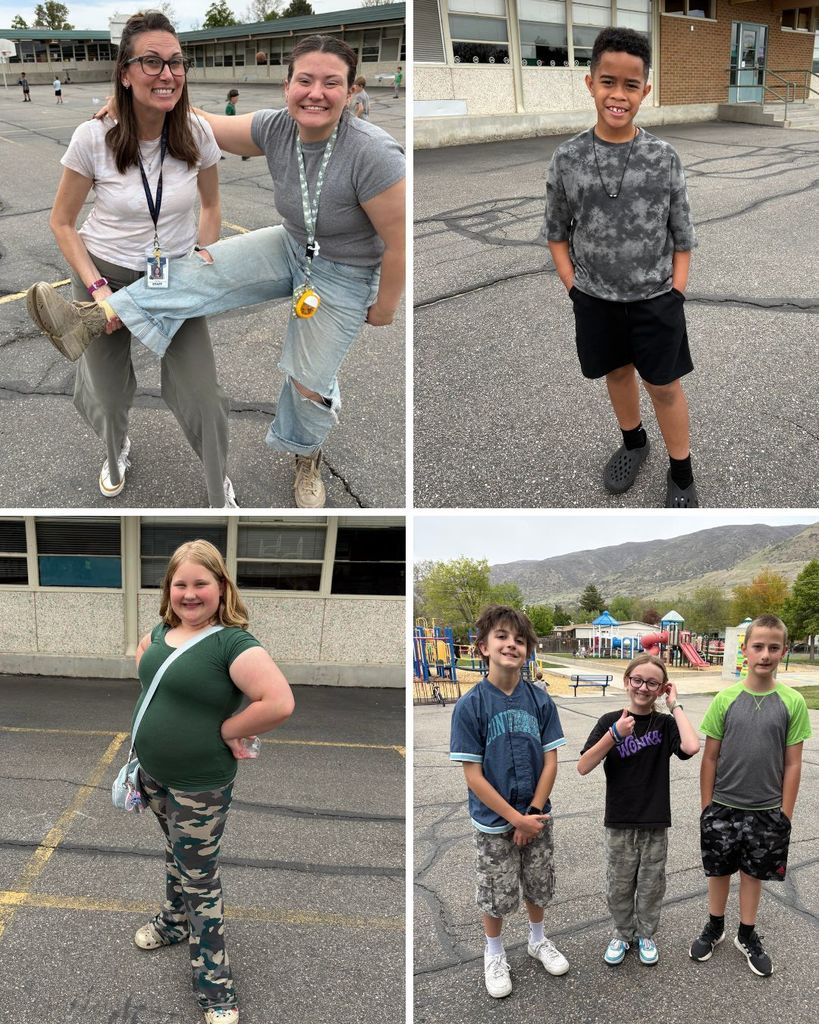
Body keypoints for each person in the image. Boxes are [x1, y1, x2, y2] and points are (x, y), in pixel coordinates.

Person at [26, 34, 406, 509]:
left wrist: (385, 306)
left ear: (350, 92)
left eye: (332, 83)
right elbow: (198, 120)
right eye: (304, 80)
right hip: (291, 245)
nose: (316, 92)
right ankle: (91, 318)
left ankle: (306, 454)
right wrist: (127, 98)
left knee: (309, 379)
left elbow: (397, 241)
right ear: (286, 86)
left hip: (344, 271)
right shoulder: (276, 128)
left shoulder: (372, 152)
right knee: (203, 269)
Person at [26, 12, 235, 507]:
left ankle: (216, 483)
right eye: (151, 62)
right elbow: (63, 223)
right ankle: (115, 447)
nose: (167, 74)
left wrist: (202, 255)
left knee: (203, 395)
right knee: (107, 392)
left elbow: (210, 205)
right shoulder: (92, 138)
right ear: (125, 72)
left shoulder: (196, 133)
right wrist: (98, 289)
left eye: (176, 63)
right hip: (106, 277)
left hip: (173, 278)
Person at [131, 539, 295, 1024]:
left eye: (200, 583)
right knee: (176, 857)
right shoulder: (162, 632)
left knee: (200, 879)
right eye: (180, 584)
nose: (189, 593)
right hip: (154, 773)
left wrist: (227, 729)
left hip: (199, 785)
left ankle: (215, 986)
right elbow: (144, 665)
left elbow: (278, 702)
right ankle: (172, 921)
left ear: (221, 587)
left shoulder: (232, 643)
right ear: (169, 589)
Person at [543, 27, 698, 508]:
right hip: (595, 299)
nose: (618, 94)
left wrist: (676, 291)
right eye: (608, 82)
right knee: (616, 374)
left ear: (645, 91)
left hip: (656, 299)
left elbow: (682, 233)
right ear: (590, 83)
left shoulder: (663, 157)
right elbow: (556, 231)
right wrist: (574, 287)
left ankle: (682, 471)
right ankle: (634, 442)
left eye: (631, 85)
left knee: (664, 386)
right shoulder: (567, 158)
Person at [449, 605, 569, 999]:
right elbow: (473, 776)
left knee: (538, 884)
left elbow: (551, 760)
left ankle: (537, 940)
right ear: (483, 646)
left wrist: (532, 814)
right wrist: (514, 819)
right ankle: (494, 951)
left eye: (520, 640)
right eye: (502, 637)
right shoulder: (471, 705)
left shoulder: (539, 700)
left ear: (528, 650)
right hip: (494, 821)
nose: (511, 645)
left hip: (537, 816)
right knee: (495, 892)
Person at [689, 614, 811, 977]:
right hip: (723, 806)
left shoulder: (792, 702)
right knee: (719, 871)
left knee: (753, 874)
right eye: (758, 646)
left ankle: (747, 933)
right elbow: (710, 757)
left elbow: (792, 764)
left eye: (774, 647)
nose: (765, 654)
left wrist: (784, 813)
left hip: (767, 810)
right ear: (745, 650)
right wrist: (706, 806)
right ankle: (715, 927)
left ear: (784, 651)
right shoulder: (725, 699)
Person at [577, 654, 699, 966]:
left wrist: (675, 704)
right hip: (619, 820)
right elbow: (583, 766)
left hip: (654, 820)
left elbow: (690, 746)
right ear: (627, 680)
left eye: (652, 683)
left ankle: (645, 933)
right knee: (619, 883)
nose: (643, 687)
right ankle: (621, 933)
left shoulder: (665, 723)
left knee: (650, 883)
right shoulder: (609, 721)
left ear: (661, 689)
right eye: (638, 680)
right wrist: (614, 734)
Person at [225, 89, 250, 160]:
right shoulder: (229, 107)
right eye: (236, 98)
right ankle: (244, 155)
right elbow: (229, 118)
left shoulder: (232, 105)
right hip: (231, 127)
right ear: (232, 98)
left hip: (233, 126)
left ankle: (244, 155)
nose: (237, 99)